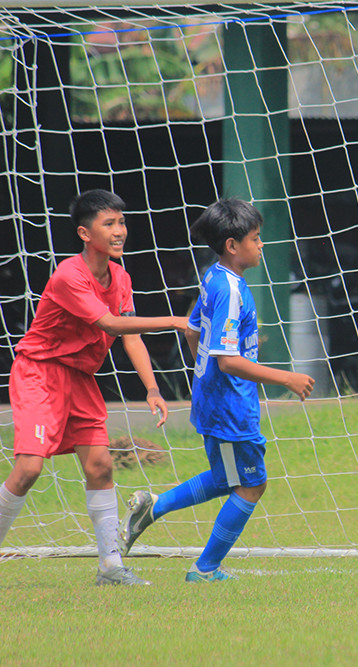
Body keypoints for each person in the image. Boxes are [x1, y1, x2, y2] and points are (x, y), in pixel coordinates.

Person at [118, 198, 315, 583]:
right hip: (230, 406)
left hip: (217, 400)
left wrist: (202, 376)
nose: (261, 246)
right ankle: (204, 568)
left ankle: (151, 508)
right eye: (256, 239)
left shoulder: (212, 276)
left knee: (227, 478)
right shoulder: (230, 289)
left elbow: (193, 330)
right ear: (232, 245)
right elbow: (228, 360)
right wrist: (286, 378)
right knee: (253, 484)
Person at [0, 189, 189, 586]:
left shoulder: (120, 276)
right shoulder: (70, 275)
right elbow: (110, 325)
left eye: (121, 222)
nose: (119, 231)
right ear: (86, 234)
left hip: (81, 379)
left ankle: (110, 567)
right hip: (41, 373)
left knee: (101, 466)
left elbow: (130, 336)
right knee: (29, 469)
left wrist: (153, 389)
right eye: (109, 224)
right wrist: (174, 320)